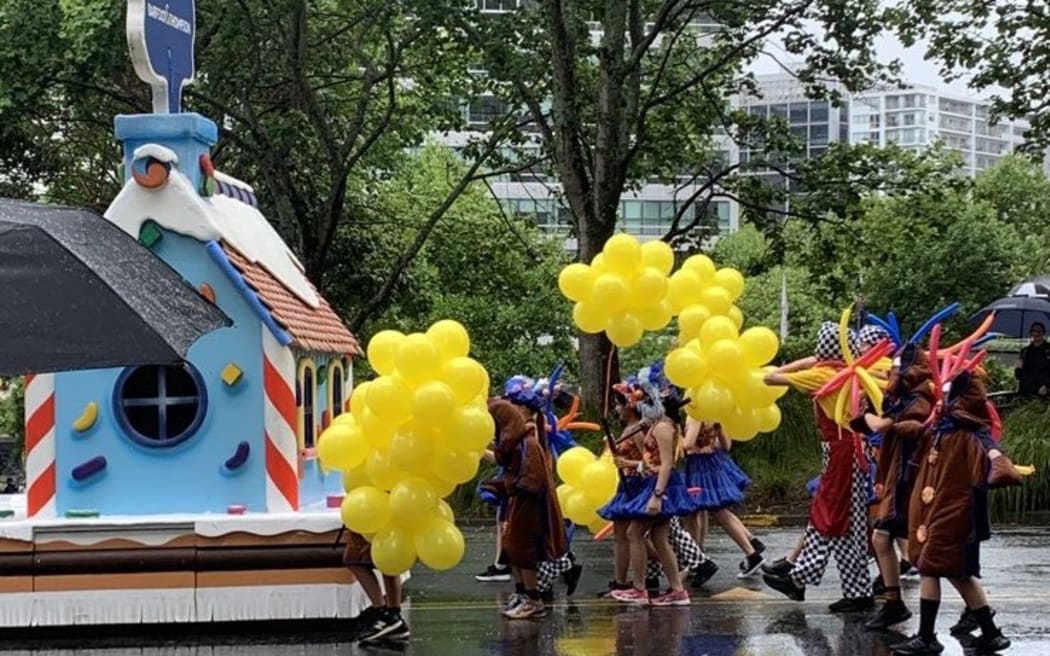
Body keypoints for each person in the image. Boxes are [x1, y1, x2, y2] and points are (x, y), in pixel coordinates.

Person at [890, 371, 1010, 655]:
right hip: (942, 513)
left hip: (958, 517)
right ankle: (991, 634)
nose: (943, 401)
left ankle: (927, 637)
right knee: (960, 575)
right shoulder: (943, 428)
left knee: (931, 568)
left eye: (949, 396)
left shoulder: (972, 433)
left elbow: (993, 459)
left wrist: (999, 463)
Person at [762, 321, 873, 613]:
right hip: (852, 448)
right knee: (848, 521)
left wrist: (811, 361)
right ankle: (856, 590)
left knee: (830, 515)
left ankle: (800, 577)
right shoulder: (855, 371)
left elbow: (771, 378)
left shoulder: (823, 374)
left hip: (841, 450)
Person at [855, 343, 933, 631]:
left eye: (900, 368)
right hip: (900, 480)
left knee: (925, 556)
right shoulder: (907, 397)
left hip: (910, 482)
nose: (894, 373)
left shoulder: (920, 398)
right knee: (882, 539)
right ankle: (893, 603)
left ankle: (976, 608)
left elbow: (885, 426)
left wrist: (868, 417)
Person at [600, 369, 694, 606]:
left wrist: (657, 495)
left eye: (645, 402)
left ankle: (639, 588)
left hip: (661, 486)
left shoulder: (663, 427)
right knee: (658, 537)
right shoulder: (657, 425)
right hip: (657, 483)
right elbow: (651, 462)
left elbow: (666, 464)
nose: (640, 407)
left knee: (634, 533)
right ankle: (677, 590)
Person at [489, 397, 568, 619]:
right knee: (511, 549)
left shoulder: (528, 443)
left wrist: (511, 486)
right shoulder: (517, 442)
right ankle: (522, 593)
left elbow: (533, 479)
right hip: (518, 501)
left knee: (523, 550)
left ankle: (533, 600)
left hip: (528, 504)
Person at [680, 418, 765, 582]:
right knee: (699, 512)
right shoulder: (716, 414)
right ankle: (697, 558)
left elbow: (688, 445)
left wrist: (675, 439)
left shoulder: (697, 416)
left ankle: (751, 553)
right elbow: (725, 446)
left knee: (712, 511)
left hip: (699, 467)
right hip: (712, 464)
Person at [342, 532, 410, 644]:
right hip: (386, 523)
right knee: (388, 559)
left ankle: (384, 614)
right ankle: (390, 615)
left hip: (372, 522)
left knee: (355, 559)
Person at [1015, 321, 1050, 396]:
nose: (1037, 334)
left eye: (1039, 331)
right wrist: (1018, 366)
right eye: (1034, 331)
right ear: (1031, 333)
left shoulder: (1048, 350)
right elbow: (1018, 373)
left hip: (1043, 391)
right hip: (1026, 391)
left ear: (1043, 333)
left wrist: (1047, 386)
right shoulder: (1024, 351)